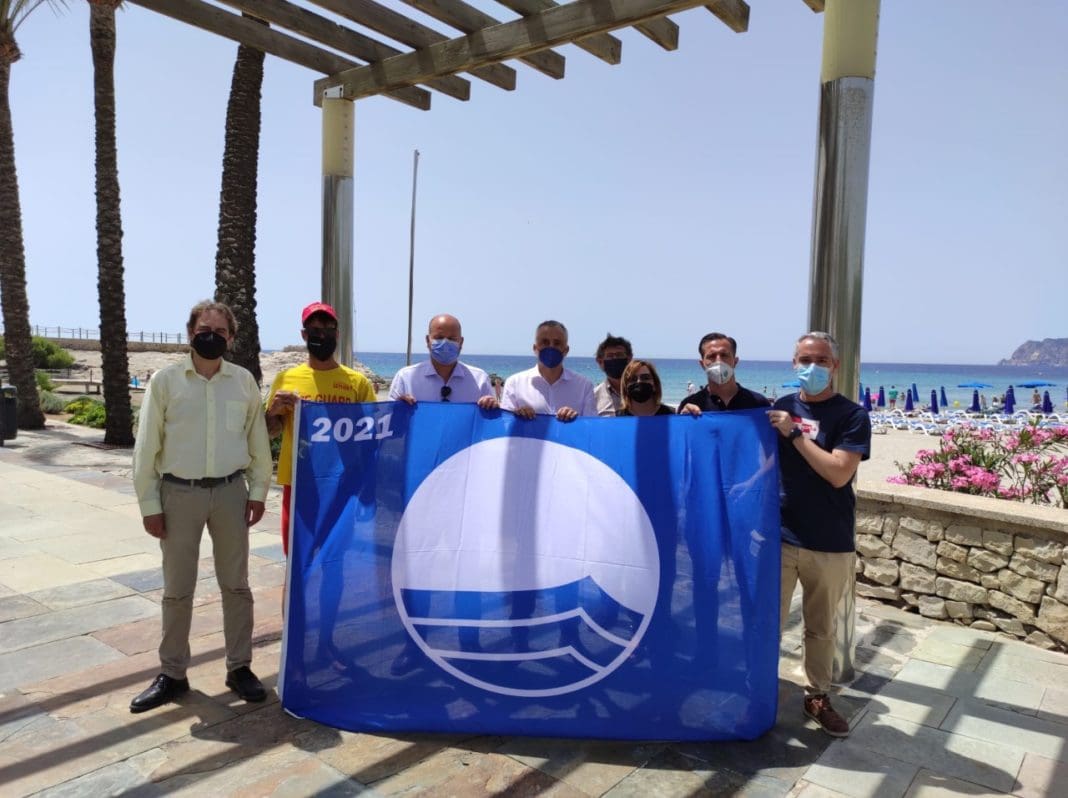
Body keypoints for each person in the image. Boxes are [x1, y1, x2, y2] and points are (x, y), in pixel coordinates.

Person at [130, 300, 272, 713]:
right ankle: (172, 673)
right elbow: (146, 447)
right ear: (190, 333)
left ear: (231, 337)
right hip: (178, 494)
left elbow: (257, 442)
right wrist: (149, 503)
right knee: (177, 589)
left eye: (220, 331)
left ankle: (239, 668)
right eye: (204, 329)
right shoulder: (165, 382)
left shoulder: (243, 382)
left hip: (230, 493)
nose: (211, 336)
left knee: (237, 586)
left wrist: (258, 492)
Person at [768, 331, 871, 738]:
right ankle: (759, 688)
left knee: (820, 628)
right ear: (794, 363)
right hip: (780, 537)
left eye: (822, 360)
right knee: (767, 624)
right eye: (805, 360)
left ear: (835, 366)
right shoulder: (780, 407)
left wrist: (795, 434)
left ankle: (817, 696)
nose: (813, 367)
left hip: (829, 540)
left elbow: (838, 473)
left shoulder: (852, 415)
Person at [265, 302, 376, 555]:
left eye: (328, 329)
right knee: (296, 559)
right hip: (299, 483)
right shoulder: (286, 379)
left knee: (335, 559)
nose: (322, 335)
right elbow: (271, 432)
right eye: (315, 330)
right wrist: (272, 413)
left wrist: (402, 410)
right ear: (304, 335)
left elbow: (371, 435)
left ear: (337, 334)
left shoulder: (357, 383)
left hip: (341, 484)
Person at [389, 314, 497, 409]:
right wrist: (397, 407)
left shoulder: (479, 380)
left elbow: (490, 421)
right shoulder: (406, 378)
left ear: (461, 342)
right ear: (427, 340)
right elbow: (388, 419)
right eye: (439, 337)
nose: (445, 343)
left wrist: (492, 406)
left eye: (452, 338)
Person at [500, 320, 596, 421]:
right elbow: (505, 423)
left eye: (557, 343)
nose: (551, 347)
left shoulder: (584, 386)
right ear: (535, 348)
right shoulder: (514, 384)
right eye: (545, 342)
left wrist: (575, 420)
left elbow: (591, 426)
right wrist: (518, 417)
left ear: (566, 350)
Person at [678, 332, 770, 415]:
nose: (719, 361)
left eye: (724, 355)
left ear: (735, 361)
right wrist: (684, 420)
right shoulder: (690, 406)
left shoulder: (759, 403)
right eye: (712, 356)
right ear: (702, 364)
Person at [592, 333, 633, 416]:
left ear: (629, 359)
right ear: (600, 362)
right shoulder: (593, 397)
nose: (615, 358)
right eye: (610, 356)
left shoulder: (643, 391)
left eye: (619, 355)